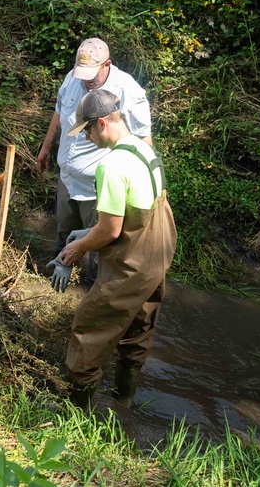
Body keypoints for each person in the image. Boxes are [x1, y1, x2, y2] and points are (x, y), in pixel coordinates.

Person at [57, 89, 175, 407]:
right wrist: (89, 231)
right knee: (138, 329)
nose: (86, 138)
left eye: (87, 131)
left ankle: (73, 413)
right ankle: (123, 404)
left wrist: (80, 246)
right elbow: (138, 210)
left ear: (101, 124)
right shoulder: (143, 149)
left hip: (132, 262)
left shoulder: (110, 166)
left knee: (89, 325)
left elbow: (111, 230)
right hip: (157, 256)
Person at [37, 38, 153, 286]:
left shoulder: (127, 90)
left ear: (107, 64)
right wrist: (46, 148)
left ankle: (92, 290)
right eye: (82, 73)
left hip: (98, 189)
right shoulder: (73, 78)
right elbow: (59, 112)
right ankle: (59, 274)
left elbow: (144, 142)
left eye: (91, 73)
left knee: (101, 245)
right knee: (65, 232)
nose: (86, 79)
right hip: (67, 178)